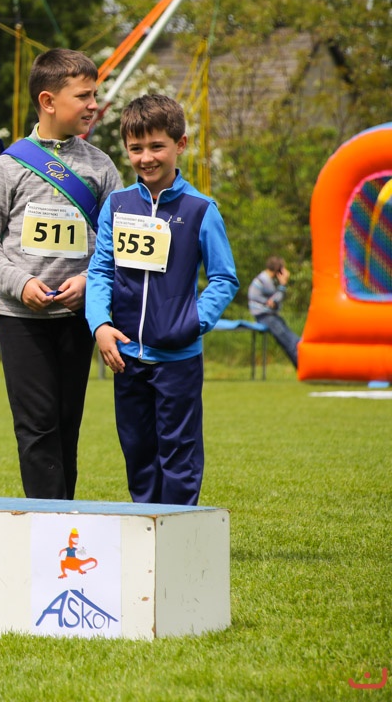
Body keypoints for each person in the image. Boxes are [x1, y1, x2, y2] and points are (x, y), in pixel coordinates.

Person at [0, 48, 123, 499]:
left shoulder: (101, 166)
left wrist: (88, 282)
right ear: (48, 101)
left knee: (66, 424)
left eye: (95, 95)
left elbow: (115, 242)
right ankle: (47, 521)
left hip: (77, 317)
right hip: (20, 318)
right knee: (36, 427)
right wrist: (21, 285)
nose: (94, 105)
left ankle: (62, 518)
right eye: (84, 96)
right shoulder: (8, 166)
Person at [85, 94, 239, 506]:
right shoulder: (117, 205)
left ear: (180, 144)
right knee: (137, 453)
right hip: (125, 357)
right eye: (136, 148)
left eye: (157, 146)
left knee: (179, 453)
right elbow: (100, 271)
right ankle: (145, 527)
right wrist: (100, 325)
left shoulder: (201, 209)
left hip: (178, 359)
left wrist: (192, 322)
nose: (146, 157)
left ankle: (178, 531)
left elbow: (224, 278)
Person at [248, 256, 299, 368]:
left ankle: (302, 363)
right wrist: (283, 284)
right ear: (278, 270)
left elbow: (274, 301)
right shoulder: (265, 281)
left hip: (268, 315)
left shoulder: (265, 279)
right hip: (265, 316)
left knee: (291, 338)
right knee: (288, 341)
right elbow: (276, 300)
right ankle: (301, 364)